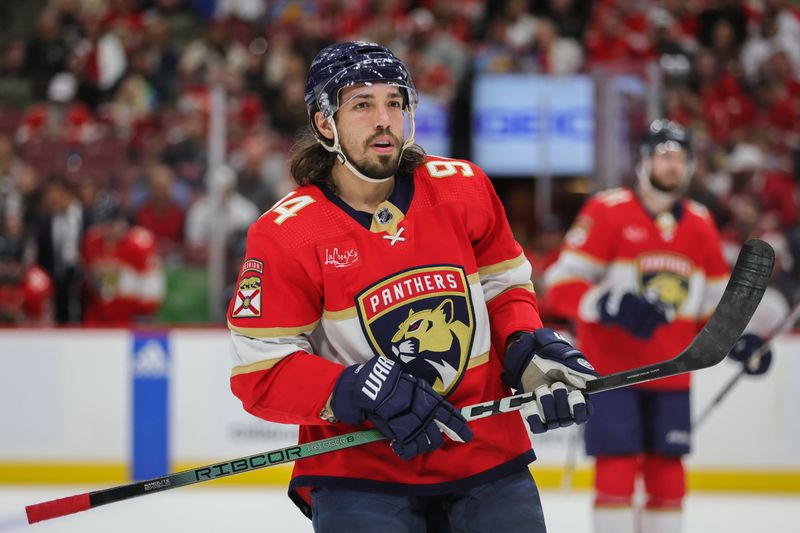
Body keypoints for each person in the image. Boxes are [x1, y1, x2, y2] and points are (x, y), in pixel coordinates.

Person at [226, 41, 598, 533]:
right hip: (363, 469)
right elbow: (262, 369)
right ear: (323, 123)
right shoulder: (287, 232)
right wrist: (353, 387)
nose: (384, 119)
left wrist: (523, 345)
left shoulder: (463, 188)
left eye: (395, 102)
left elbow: (504, 288)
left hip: (482, 449)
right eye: (362, 104)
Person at [543, 119, 770, 533]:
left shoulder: (700, 223)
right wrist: (607, 302)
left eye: (680, 158)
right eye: (665, 156)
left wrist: (739, 340)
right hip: (613, 372)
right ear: (644, 160)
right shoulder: (607, 210)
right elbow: (558, 285)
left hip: (674, 371)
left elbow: (715, 307)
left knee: (668, 474)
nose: (672, 166)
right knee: (617, 467)